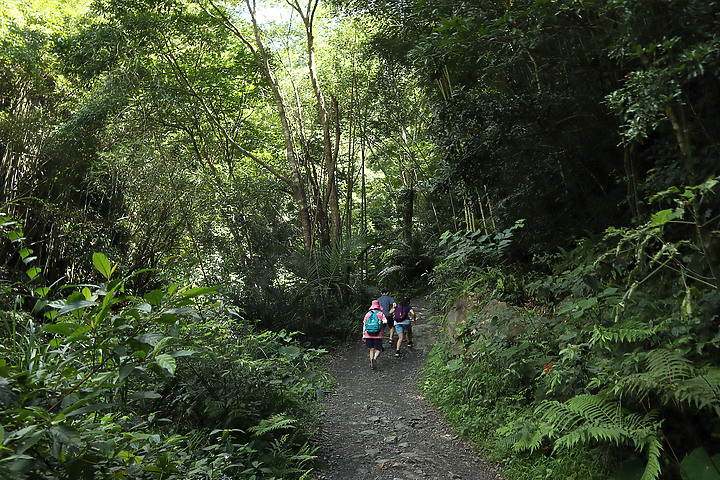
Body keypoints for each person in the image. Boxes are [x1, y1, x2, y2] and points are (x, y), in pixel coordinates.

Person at [363, 299, 388, 370]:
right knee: (378, 349)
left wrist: (363, 335)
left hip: (368, 334)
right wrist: (383, 327)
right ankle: (375, 358)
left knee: (371, 349)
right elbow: (385, 321)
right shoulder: (380, 314)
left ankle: (371, 364)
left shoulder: (367, 314)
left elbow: (364, 324)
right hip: (378, 334)